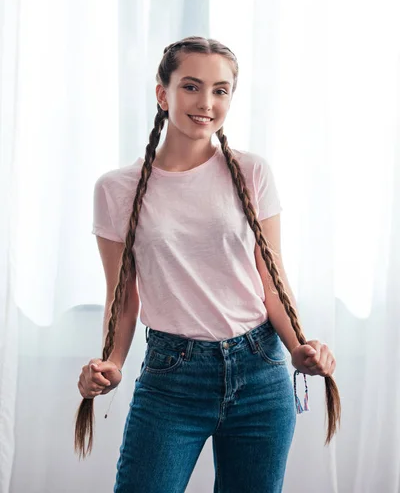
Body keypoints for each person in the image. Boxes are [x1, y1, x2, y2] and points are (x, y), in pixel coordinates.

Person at [75, 36, 341, 492]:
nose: (207, 102)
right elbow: (122, 297)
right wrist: (112, 362)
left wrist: (300, 347)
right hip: (171, 377)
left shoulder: (252, 172)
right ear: (163, 93)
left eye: (221, 90)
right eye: (192, 86)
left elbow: (272, 282)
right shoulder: (115, 190)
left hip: (261, 371)